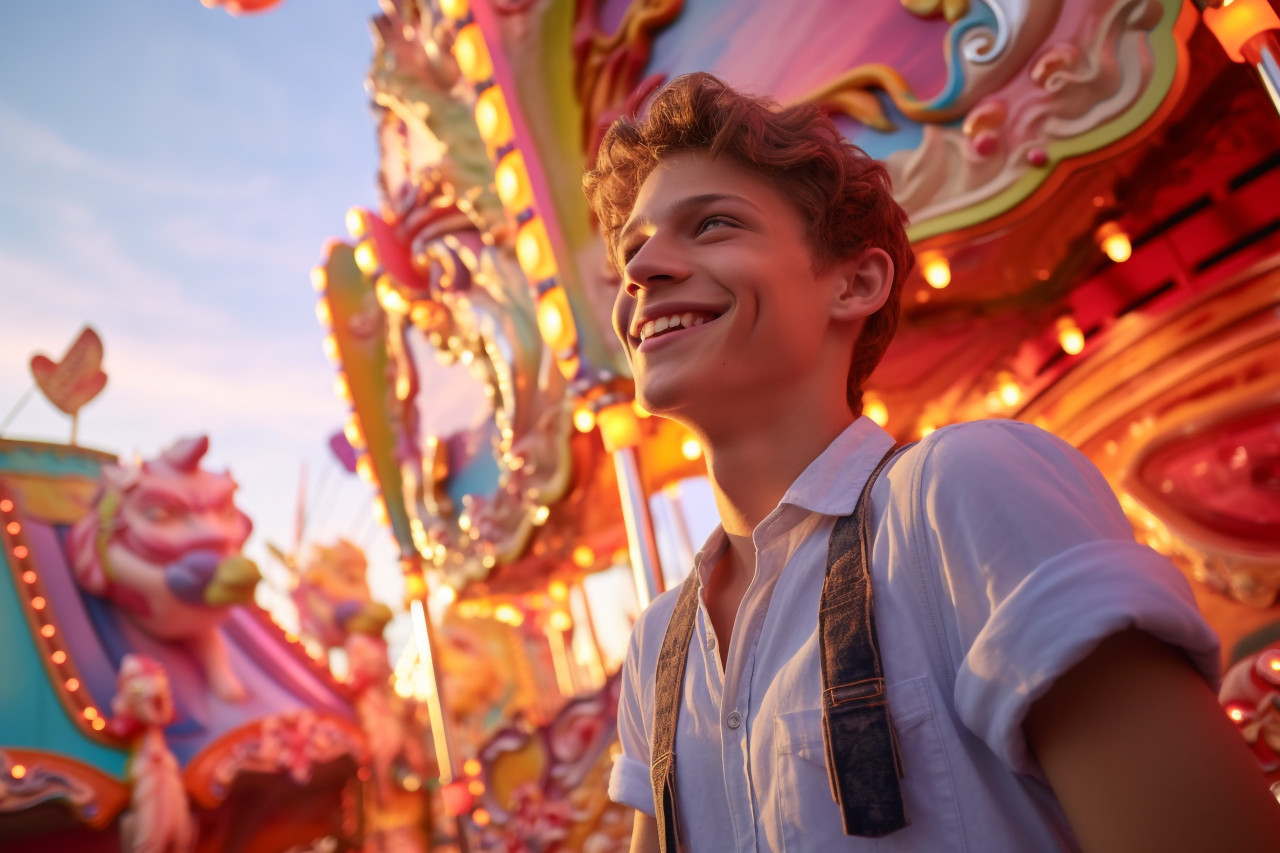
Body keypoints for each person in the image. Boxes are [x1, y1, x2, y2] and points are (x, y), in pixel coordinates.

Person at [582, 72, 1280, 852]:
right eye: (633, 248)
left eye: (712, 225)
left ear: (856, 281)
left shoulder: (957, 491)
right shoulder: (656, 650)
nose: (642, 270)